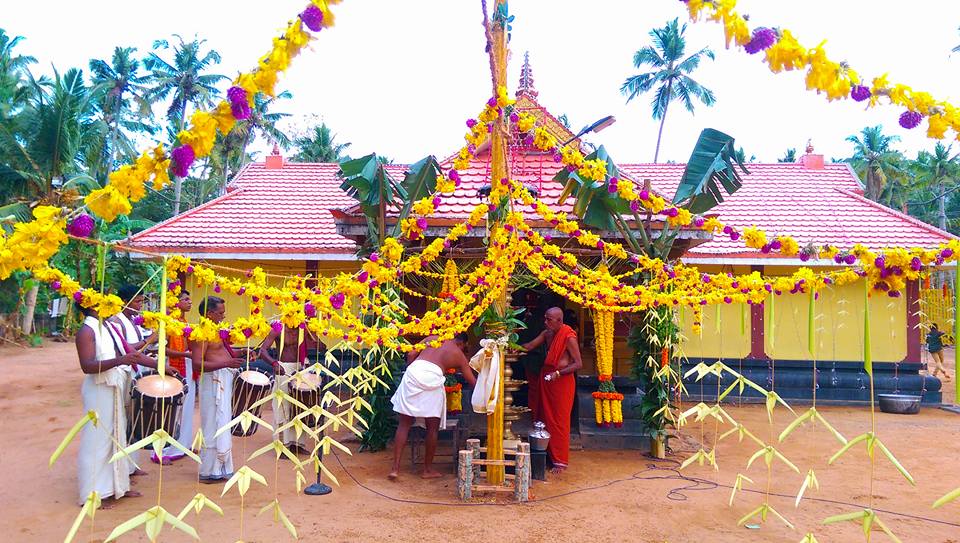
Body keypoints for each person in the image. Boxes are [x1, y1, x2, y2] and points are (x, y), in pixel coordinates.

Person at [75, 302, 155, 507]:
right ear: (90, 305)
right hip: (99, 390)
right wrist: (120, 360)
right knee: (97, 442)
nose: (108, 304)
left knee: (116, 437)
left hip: (114, 387)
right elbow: (87, 366)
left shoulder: (109, 326)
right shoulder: (86, 330)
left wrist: (160, 366)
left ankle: (114, 487)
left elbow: (132, 354)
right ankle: (92, 495)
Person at [389, 333, 476, 480]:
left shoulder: (433, 338)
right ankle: (427, 470)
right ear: (461, 343)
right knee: (432, 427)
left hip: (414, 373)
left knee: (404, 423)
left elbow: (411, 353)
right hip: (433, 378)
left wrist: (413, 370)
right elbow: (472, 381)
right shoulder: (458, 355)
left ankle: (395, 469)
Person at [520, 307, 582, 474]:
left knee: (559, 421)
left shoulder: (568, 336)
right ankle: (547, 455)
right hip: (546, 380)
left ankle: (560, 461)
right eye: (545, 319)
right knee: (543, 416)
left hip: (561, 382)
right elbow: (530, 346)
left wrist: (558, 373)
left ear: (559, 321)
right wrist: (512, 347)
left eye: (549, 320)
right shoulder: (547, 333)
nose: (545, 322)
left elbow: (578, 364)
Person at [190, 296, 243, 483]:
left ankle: (222, 468)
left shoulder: (217, 330)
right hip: (211, 382)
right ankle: (208, 471)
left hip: (223, 379)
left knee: (223, 422)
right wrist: (227, 362)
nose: (223, 315)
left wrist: (241, 353)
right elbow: (197, 363)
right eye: (220, 313)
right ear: (209, 313)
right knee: (212, 423)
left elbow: (221, 354)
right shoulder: (201, 333)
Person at [107, 284, 158, 476]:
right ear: (125, 302)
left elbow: (139, 349)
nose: (140, 306)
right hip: (122, 374)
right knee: (122, 420)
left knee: (133, 420)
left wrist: (151, 347)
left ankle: (131, 465)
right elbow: (125, 348)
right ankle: (122, 467)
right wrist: (148, 342)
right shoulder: (116, 322)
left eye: (141, 302)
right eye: (137, 301)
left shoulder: (133, 321)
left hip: (135, 373)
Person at [259, 322, 315, 453]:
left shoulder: (305, 327)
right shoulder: (278, 328)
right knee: (283, 407)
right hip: (283, 368)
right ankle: (282, 446)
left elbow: (319, 346)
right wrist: (274, 363)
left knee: (300, 406)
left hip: (301, 367)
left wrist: (315, 335)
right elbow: (262, 350)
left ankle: (298, 444)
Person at [153, 290, 194, 465]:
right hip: (173, 366)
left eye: (189, 298)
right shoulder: (168, 323)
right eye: (185, 299)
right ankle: (161, 451)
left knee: (186, 408)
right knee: (170, 409)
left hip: (187, 364)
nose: (189, 302)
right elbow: (160, 349)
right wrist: (184, 354)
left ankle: (181, 445)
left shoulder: (184, 322)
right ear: (175, 303)